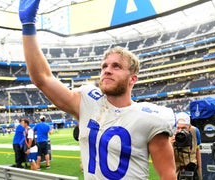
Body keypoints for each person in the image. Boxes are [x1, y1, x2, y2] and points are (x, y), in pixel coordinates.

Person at [18, 1, 176, 179]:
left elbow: (168, 175)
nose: (107, 70)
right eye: (104, 66)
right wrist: (28, 26)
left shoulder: (150, 118)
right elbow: (42, 79)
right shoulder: (87, 101)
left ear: (133, 78)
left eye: (116, 66)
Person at [170, 112, 202, 180]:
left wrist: (200, 171)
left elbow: (197, 151)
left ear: (189, 127)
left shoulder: (195, 131)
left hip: (192, 170)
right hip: (176, 171)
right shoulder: (170, 134)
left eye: (184, 128)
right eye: (178, 128)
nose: (180, 131)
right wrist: (169, 145)